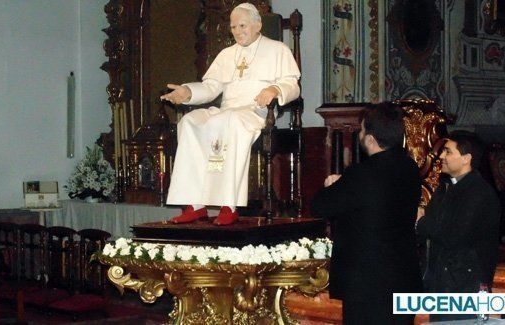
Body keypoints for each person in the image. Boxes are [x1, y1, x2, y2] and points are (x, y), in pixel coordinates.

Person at [161, 2, 300, 225]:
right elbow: (210, 87)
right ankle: (194, 204)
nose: (237, 31)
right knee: (189, 121)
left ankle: (229, 205)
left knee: (230, 120)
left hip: (254, 112)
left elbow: (292, 84)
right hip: (226, 111)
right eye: (233, 27)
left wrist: (275, 89)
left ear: (258, 25)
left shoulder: (278, 50)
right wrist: (188, 92)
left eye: (242, 25)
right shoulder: (227, 54)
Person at [310, 103, 422, 325]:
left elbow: (320, 206)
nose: (359, 135)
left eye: (361, 130)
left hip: (368, 284)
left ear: (370, 139)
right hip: (403, 275)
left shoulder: (362, 174)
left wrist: (335, 185)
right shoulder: (410, 168)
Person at [416, 130, 500, 322]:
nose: (441, 156)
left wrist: (420, 222)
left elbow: (453, 235)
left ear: (466, 159)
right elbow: (436, 224)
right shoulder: (446, 187)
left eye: (448, 152)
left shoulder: (479, 194)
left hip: (465, 286)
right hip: (444, 281)